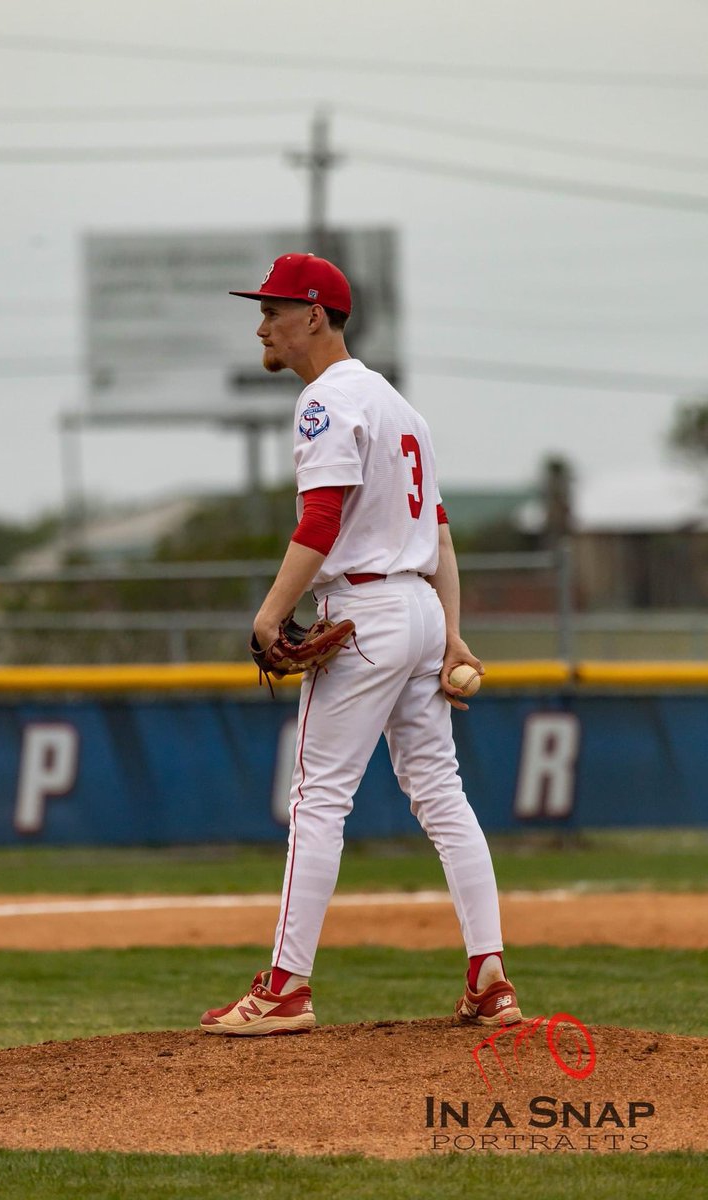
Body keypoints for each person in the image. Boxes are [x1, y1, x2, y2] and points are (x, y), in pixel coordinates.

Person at [200, 253, 521, 1036]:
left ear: (315, 314)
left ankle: (284, 989)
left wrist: (269, 615)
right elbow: (439, 537)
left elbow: (320, 521)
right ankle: (491, 979)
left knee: (317, 798)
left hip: (366, 611)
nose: (262, 323)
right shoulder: (399, 407)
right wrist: (448, 633)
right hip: (413, 607)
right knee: (442, 793)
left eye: (275, 308)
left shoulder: (326, 402)